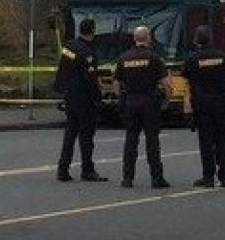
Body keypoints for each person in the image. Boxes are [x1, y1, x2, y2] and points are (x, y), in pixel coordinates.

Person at [114, 25, 170, 189]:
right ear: (148, 39)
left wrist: (122, 98)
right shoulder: (154, 58)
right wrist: (166, 99)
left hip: (131, 101)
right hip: (149, 101)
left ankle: (127, 178)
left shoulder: (124, 58)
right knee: (152, 140)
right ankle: (156, 178)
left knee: (131, 140)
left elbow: (117, 84)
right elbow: (165, 83)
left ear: (134, 39)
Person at [53, 18, 107, 182]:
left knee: (70, 135)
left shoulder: (68, 47)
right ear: (93, 32)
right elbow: (90, 78)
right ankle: (87, 170)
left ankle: (63, 170)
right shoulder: (88, 53)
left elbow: (63, 68)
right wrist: (99, 97)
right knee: (86, 137)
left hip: (70, 96)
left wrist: (61, 90)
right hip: (84, 99)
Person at [182, 25, 225, 188]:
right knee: (221, 140)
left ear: (196, 40)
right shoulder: (222, 56)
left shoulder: (192, 58)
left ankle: (208, 177)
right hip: (220, 102)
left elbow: (186, 77)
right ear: (210, 38)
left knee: (206, 142)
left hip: (202, 104)